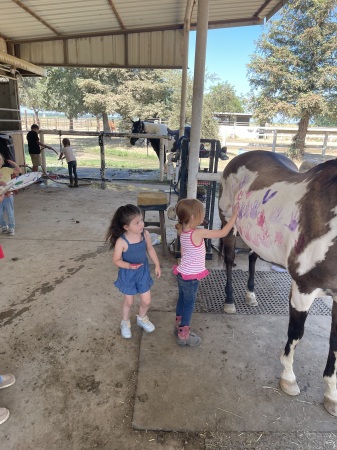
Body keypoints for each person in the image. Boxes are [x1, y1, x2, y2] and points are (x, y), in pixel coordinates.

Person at [173, 198, 238, 347]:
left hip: (182, 274)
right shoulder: (198, 233)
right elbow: (223, 232)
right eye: (202, 214)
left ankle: (178, 327)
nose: (204, 217)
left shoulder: (182, 230)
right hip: (191, 278)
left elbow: (183, 252)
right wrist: (234, 216)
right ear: (193, 218)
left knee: (182, 301)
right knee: (189, 305)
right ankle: (184, 336)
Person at [106, 204, 161, 339]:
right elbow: (116, 260)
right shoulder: (121, 241)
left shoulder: (145, 234)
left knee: (146, 301)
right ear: (126, 227)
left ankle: (141, 318)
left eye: (142, 220)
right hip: (128, 274)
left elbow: (150, 249)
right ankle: (125, 322)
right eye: (137, 223)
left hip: (143, 272)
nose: (142, 224)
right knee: (129, 302)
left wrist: (157, 265)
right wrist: (129, 266)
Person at [0, 153, 22, 236]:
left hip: (8, 196)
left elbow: (19, 171)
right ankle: (3, 226)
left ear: (2, 161)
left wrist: (14, 163)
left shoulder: (6, 169)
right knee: (0, 214)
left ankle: (11, 227)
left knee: (10, 212)